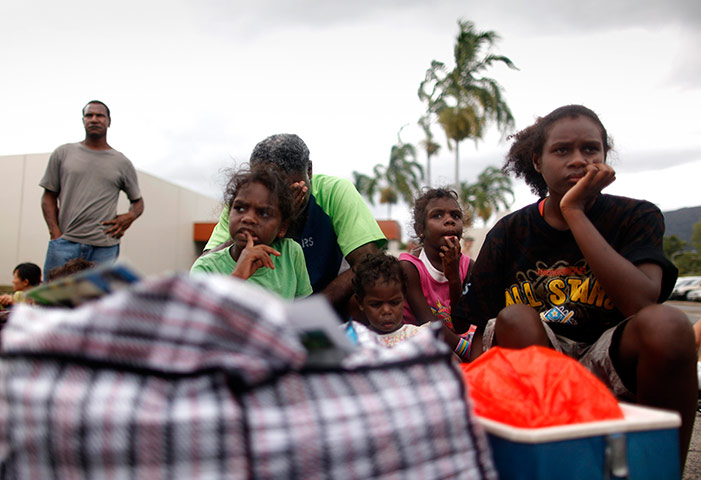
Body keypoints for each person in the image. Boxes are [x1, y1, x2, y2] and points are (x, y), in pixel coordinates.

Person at [453, 104, 696, 467]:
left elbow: (642, 305)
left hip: (610, 352)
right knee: (516, 317)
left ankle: (658, 468)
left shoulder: (635, 216)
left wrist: (575, 212)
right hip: (538, 364)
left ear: (605, 157)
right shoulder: (509, 232)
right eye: (562, 150)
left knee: (670, 324)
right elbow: (470, 326)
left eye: (590, 149)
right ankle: (558, 464)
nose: (578, 160)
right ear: (537, 161)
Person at [204, 134, 385, 312]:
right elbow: (206, 265)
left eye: (286, 190)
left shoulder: (335, 191)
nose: (277, 197)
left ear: (309, 171)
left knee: (372, 292)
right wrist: (273, 222)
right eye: (265, 185)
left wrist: (308, 311)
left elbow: (367, 262)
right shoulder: (246, 204)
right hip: (256, 313)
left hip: (329, 305)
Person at [40, 100, 144, 282]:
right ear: (83, 120)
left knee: (97, 302)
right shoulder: (63, 153)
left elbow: (138, 202)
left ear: (109, 121)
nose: (94, 119)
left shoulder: (122, 162)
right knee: (53, 301)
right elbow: (48, 197)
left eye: (100, 115)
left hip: (104, 247)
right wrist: (55, 234)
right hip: (64, 243)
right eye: (89, 115)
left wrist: (129, 217)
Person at [191, 165, 312, 300]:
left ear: (282, 227)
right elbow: (200, 317)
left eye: (264, 213)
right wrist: (238, 275)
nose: (248, 218)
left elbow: (302, 310)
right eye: (240, 208)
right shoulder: (207, 268)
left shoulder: (290, 253)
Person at [345, 252, 474, 360]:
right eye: (376, 304)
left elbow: (453, 366)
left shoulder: (421, 337)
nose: (386, 311)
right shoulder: (354, 340)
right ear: (360, 302)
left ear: (404, 297)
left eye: (394, 302)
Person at [400, 188, 472, 331]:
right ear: (420, 228)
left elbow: (462, 326)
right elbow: (429, 326)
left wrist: (454, 278)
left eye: (456, 216)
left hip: (457, 340)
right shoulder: (409, 267)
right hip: (421, 341)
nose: (449, 221)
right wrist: (464, 350)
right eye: (437, 215)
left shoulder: (469, 266)